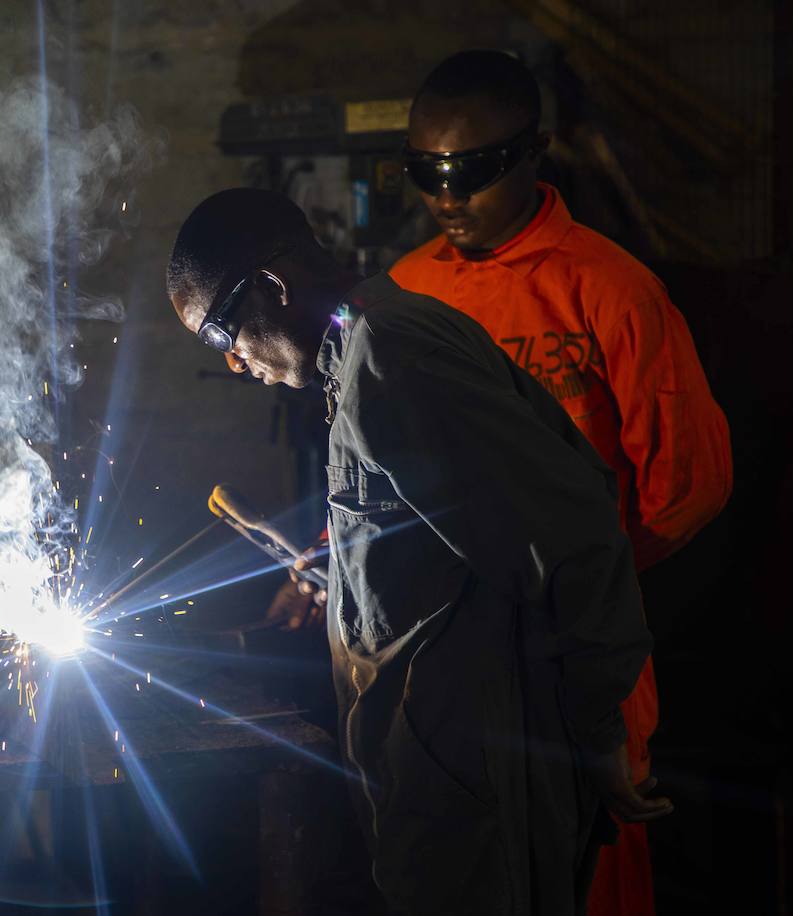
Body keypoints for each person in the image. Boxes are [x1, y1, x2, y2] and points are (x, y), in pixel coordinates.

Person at [167, 187, 670, 915]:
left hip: (483, 796)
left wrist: (599, 738)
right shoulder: (358, 357)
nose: (237, 366)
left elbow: (574, 544)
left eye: (222, 336)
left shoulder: (394, 360)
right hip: (436, 792)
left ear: (272, 288)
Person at [380, 49, 731, 916]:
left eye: (472, 171)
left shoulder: (610, 293)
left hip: (578, 658)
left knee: (589, 877)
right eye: (428, 172)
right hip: (449, 662)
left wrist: (574, 587)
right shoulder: (404, 294)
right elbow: (377, 464)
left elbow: (686, 486)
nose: (448, 196)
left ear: (535, 154)